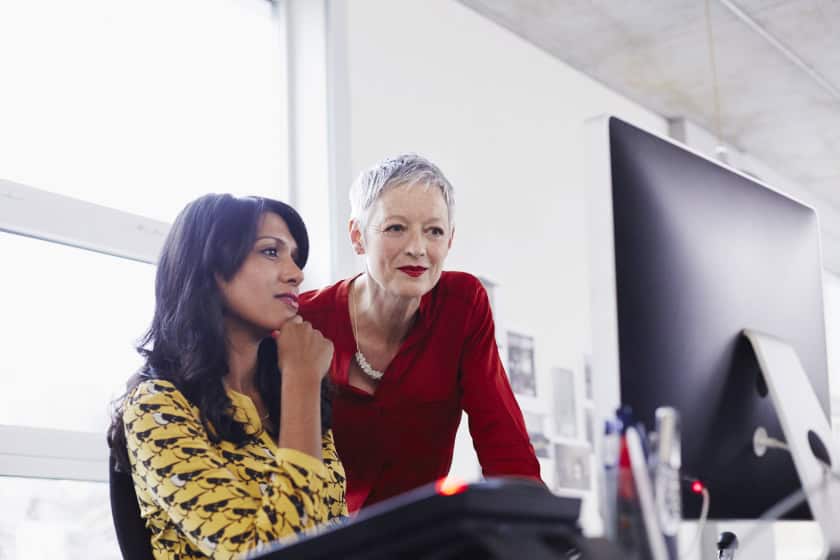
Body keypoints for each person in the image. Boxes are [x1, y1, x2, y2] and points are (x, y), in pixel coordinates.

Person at [107, 194, 346, 559]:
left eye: (295, 257)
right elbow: (269, 554)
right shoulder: (156, 407)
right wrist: (302, 381)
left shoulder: (287, 392)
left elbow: (335, 533)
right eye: (271, 252)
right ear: (212, 267)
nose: (296, 273)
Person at [299, 154, 541, 513]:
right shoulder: (302, 322)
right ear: (357, 236)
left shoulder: (463, 305)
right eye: (396, 228)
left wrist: (535, 530)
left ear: (450, 240)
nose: (418, 248)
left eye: (434, 231)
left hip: (416, 538)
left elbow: (501, 436)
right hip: (321, 540)